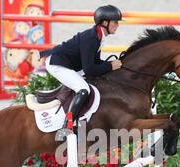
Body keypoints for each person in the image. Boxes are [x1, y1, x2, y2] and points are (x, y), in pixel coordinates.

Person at [40, 5, 123, 137]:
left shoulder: (98, 36)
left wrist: (109, 64)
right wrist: (110, 66)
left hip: (71, 65)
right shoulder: (91, 38)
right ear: (105, 22)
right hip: (58, 64)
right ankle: (66, 127)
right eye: (115, 22)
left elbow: (94, 62)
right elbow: (89, 69)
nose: (117, 25)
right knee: (83, 89)